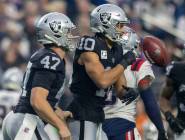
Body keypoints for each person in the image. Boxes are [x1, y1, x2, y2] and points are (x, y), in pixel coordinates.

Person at [2, 12, 79, 140]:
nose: (71, 36)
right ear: (56, 33)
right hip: (26, 121)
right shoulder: (51, 59)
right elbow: (37, 100)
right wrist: (61, 126)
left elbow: (44, 100)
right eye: (67, 32)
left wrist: (59, 113)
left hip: (19, 119)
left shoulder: (47, 55)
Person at [66, 4, 136, 140]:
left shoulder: (117, 49)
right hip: (82, 112)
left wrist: (129, 92)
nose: (123, 31)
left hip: (99, 112)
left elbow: (120, 89)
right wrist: (125, 62)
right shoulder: (90, 44)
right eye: (119, 26)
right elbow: (102, 81)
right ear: (106, 23)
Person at [99, 26, 167, 140]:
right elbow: (148, 99)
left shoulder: (97, 61)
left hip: (96, 123)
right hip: (121, 124)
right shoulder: (138, 64)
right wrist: (161, 129)